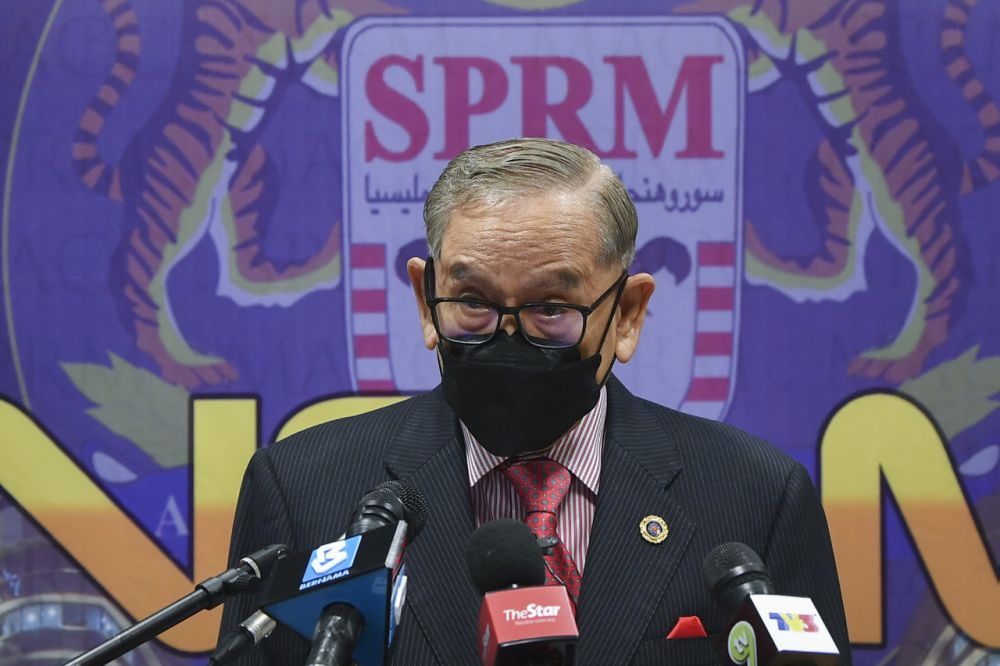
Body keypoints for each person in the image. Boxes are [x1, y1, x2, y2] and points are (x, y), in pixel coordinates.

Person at [218, 137, 852, 664]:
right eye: (473, 302)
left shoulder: (756, 496)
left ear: (627, 314)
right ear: (426, 302)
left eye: (551, 308)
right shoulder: (302, 490)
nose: (508, 337)